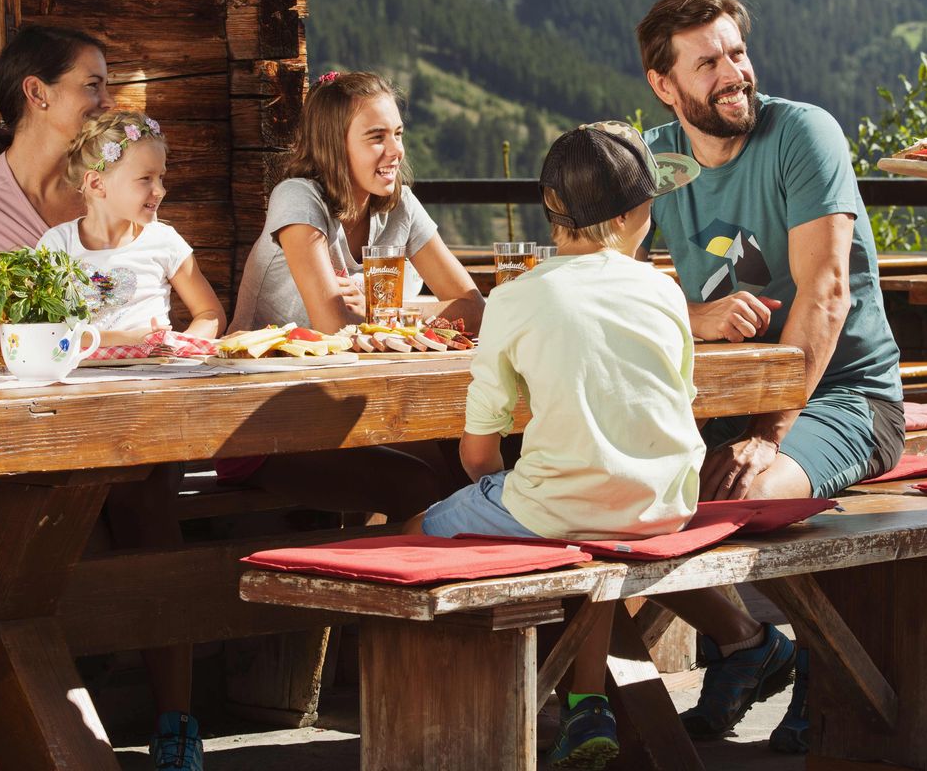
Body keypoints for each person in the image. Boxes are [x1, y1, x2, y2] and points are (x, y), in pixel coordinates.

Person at [0, 25, 204, 771]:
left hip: (132, 413)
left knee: (148, 501)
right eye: (93, 84)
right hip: (20, 428)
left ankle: (178, 718)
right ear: (37, 95)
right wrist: (87, 353)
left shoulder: (124, 188)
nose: (107, 99)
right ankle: (44, 719)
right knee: (67, 523)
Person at [635, 0, 906, 752]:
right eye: (708, 62)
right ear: (664, 85)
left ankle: (831, 662)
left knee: (747, 491)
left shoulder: (803, 134)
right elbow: (603, 286)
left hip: (843, 394)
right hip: (717, 402)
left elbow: (824, 291)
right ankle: (748, 646)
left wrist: (768, 430)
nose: (733, 74)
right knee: (592, 489)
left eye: (737, 53)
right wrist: (691, 319)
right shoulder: (658, 159)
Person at [407, 121, 709, 771]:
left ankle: (444, 723)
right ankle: (586, 704)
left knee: (412, 530)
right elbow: (678, 403)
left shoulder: (515, 298)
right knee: (581, 512)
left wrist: (490, 489)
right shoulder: (663, 291)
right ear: (635, 213)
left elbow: (477, 455)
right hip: (667, 501)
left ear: (551, 207)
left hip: (571, 508)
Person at [226, 70, 482, 518]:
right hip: (259, 422)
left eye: (398, 134)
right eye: (376, 137)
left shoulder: (398, 201)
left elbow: (472, 306)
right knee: (419, 484)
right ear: (334, 144)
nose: (395, 151)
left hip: (353, 413)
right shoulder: (297, 197)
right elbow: (335, 330)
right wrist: (391, 320)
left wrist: (395, 312)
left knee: (469, 466)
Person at [36, 111, 225, 348]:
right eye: (146, 178)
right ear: (96, 184)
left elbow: (210, 312)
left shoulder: (164, 241)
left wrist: (181, 344)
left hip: (152, 376)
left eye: (161, 177)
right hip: (78, 381)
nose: (160, 190)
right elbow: (43, 332)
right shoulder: (57, 246)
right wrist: (131, 339)